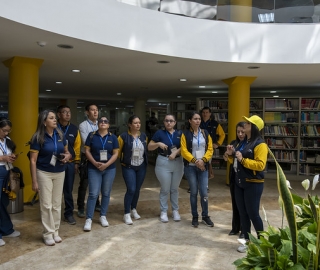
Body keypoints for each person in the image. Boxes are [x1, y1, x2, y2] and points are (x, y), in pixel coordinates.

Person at [225, 115, 268, 253]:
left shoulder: (260, 144)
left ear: (254, 127)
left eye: (248, 123)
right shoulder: (242, 142)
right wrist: (231, 154)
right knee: (243, 213)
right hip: (239, 183)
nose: (245, 125)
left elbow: (260, 165)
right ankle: (246, 241)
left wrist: (242, 160)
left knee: (253, 213)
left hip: (253, 184)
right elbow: (237, 160)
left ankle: (262, 242)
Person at [29, 110, 71, 246]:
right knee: (46, 205)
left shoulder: (60, 134)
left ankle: (55, 232)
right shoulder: (37, 138)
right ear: (43, 122)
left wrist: (67, 156)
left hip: (60, 171)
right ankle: (48, 233)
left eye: (54, 118)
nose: (55, 120)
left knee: (57, 204)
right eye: (51, 118)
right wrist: (34, 181)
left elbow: (67, 151)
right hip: (44, 173)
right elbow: (33, 161)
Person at [83, 116, 119, 231]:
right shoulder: (92, 135)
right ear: (98, 124)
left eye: (105, 121)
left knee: (106, 193)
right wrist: (94, 162)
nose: (103, 123)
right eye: (101, 121)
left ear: (108, 125)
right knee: (93, 193)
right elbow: (87, 151)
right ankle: (89, 219)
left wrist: (106, 165)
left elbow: (115, 154)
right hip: (94, 168)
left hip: (109, 169)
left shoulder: (113, 137)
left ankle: (103, 216)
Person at [148, 114, 184, 223]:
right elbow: (149, 147)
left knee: (174, 189)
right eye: (166, 121)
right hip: (164, 162)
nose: (169, 123)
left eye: (171, 121)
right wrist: (158, 144)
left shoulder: (180, 133)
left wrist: (176, 152)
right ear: (164, 122)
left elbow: (185, 147)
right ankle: (163, 211)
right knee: (165, 188)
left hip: (178, 162)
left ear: (175, 122)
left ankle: (175, 211)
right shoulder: (159, 133)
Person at [181, 112, 214, 228]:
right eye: (195, 119)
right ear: (190, 121)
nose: (198, 121)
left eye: (199, 119)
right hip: (190, 167)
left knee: (204, 192)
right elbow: (184, 151)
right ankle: (195, 216)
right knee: (194, 192)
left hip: (203, 166)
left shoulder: (205, 133)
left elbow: (210, 149)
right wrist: (195, 160)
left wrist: (203, 160)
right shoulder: (185, 134)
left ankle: (205, 216)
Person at [118, 115, 148, 225]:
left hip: (141, 166)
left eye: (139, 122)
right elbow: (117, 151)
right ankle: (126, 213)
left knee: (137, 189)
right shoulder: (123, 136)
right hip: (128, 166)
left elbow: (145, 150)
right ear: (130, 125)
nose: (138, 125)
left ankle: (133, 208)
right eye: (135, 123)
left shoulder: (143, 136)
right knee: (131, 189)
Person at [57, 105, 81, 225]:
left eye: (69, 112)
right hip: (55, 164)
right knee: (54, 190)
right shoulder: (53, 127)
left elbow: (77, 147)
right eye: (64, 112)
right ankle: (53, 214)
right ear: (59, 114)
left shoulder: (74, 129)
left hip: (70, 163)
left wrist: (76, 162)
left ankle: (69, 214)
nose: (67, 114)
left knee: (68, 190)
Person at [77, 104, 100, 218]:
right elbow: (87, 141)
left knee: (97, 181)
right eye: (92, 110)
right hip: (86, 156)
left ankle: (97, 204)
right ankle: (81, 207)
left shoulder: (101, 124)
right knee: (84, 183)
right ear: (87, 112)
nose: (95, 112)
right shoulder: (83, 125)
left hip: (99, 156)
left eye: (96, 110)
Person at [0, 118, 20, 247]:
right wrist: (2, 157)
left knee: (3, 202)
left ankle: (6, 229)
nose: (6, 133)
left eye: (8, 131)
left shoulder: (7, 141)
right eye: (4, 130)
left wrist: (11, 157)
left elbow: (8, 154)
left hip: (7, 172)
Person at [223, 122, 245, 238]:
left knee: (243, 205)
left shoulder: (248, 144)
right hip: (234, 175)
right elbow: (226, 158)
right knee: (235, 202)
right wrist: (227, 153)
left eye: (242, 132)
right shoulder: (233, 143)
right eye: (238, 132)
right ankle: (235, 227)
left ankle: (244, 229)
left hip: (244, 177)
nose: (240, 134)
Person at [200, 106, 225, 180]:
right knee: (198, 163)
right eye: (203, 113)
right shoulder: (198, 122)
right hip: (198, 146)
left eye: (207, 112)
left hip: (209, 147)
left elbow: (222, 135)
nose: (205, 114)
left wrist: (217, 144)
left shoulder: (215, 124)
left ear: (210, 113)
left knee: (207, 163)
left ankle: (205, 183)